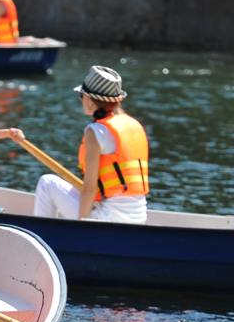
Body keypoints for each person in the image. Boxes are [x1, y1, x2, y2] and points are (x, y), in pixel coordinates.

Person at [33, 65, 149, 223]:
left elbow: (89, 188)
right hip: (139, 218)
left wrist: (82, 226)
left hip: (108, 219)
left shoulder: (94, 131)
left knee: (47, 183)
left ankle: (43, 237)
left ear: (89, 100)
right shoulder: (134, 125)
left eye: (82, 95)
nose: (81, 99)